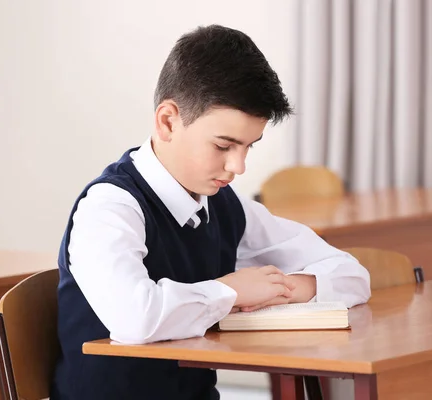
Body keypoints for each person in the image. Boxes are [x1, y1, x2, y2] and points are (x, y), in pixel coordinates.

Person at [50, 24, 370, 400]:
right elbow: (136, 320)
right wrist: (230, 291)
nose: (239, 167)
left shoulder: (224, 205)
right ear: (168, 121)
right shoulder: (110, 207)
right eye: (223, 145)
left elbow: (352, 273)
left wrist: (291, 288)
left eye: (249, 146)